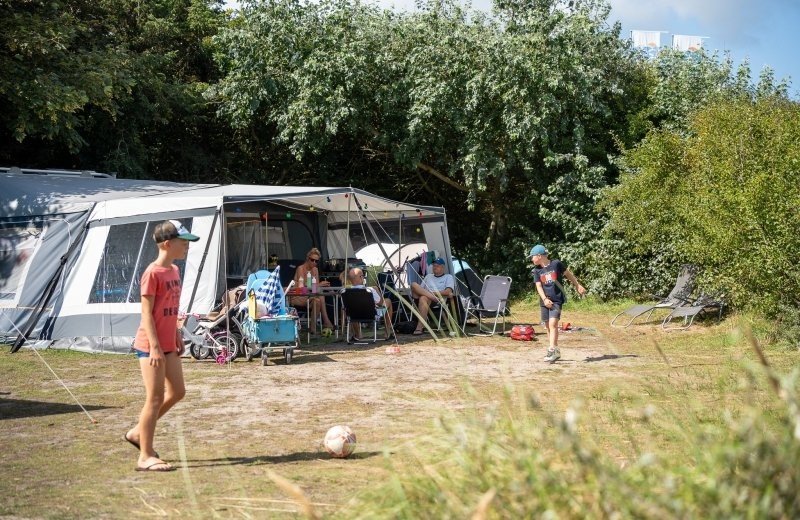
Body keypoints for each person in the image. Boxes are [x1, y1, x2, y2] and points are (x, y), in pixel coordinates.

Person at [126, 220, 199, 472]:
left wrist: (177, 333)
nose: (186, 246)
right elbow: (146, 313)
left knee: (177, 392)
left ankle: (138, 433)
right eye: (183, 242)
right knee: (154, 397)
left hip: (169, 343)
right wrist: (155, 347)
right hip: (150, 345)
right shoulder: (152, 273)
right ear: (167, 244)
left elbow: (172, 308)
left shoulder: (174, 271)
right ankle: (145, 455)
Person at [529, 244, 586, 363]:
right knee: (548, 327)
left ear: (539, 256)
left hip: (557, 300)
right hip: (544, 301)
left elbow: (568, 274)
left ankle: (551, 350)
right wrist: (544, 299)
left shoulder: (556, 264)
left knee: (553, 324)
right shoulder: (537, 270)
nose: (531, 259)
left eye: (532, 256)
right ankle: (555, 350)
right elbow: (539, 286)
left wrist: (577, 285)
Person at [289, 247, 334, 334]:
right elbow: (303, 286)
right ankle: (326, 320)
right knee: (320, 294)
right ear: (308, 258)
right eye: (312, 260)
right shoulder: (300, 268)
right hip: (299, 296)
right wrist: (319, 285)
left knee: (317, 300)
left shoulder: (315, 270)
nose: (314, 262)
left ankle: (313, 329)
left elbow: (314, 288)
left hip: (310, 296)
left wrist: (324, 286)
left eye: (316, 261)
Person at [345, 267, 395, 341]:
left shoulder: (346, 291)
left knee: (352, 309)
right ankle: (387, 332)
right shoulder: (369, 290)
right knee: (388, 301)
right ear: (361, 277)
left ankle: (358, 334)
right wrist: (377, 290)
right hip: (371, 315)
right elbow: (380, 303)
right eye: (363, 275)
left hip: (354, 316)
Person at [410, 257, 455, 335]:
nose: (435, 267)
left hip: (437, 301)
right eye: (434, 265)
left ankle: (419, 328)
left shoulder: (448, 277)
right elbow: (420, 289)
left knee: (423, 298)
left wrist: (433, 293)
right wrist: (430, 295)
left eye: (437, 265)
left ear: (442, 267)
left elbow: (448, 292)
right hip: (428, 297)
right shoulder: (428, 276)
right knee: (413, 284)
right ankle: (431, 297)